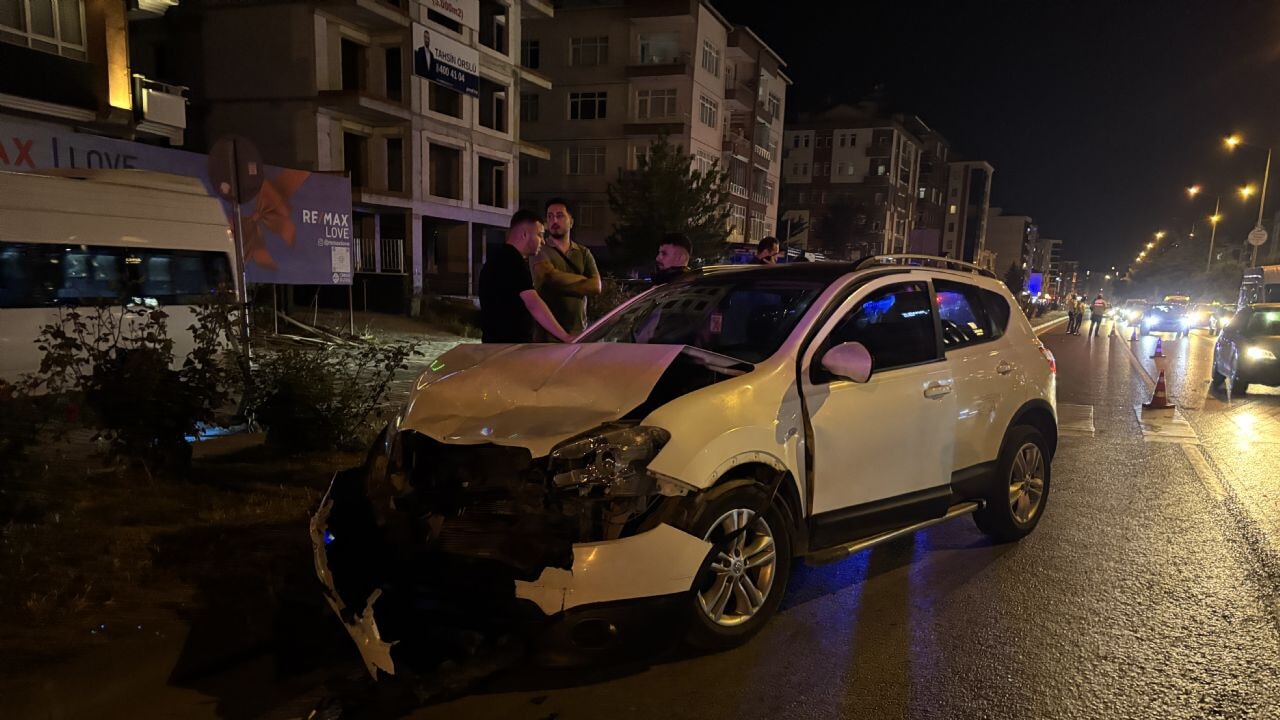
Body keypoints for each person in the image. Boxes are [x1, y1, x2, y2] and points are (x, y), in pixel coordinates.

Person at [478, 210, 572, 344]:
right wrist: (565, 337)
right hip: (509, 348)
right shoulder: (512, 261)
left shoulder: (498, 258)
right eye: (540, 235)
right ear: (524, 234)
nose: (543, 242)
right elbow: (533, 303)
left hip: (496, 345)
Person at [531, 198, 601, 339]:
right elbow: (549, 277)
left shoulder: (583, 252)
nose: (554, 221)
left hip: (578, 333)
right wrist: (583, 282)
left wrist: (559, 283)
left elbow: (596, 286)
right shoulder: (539, 250)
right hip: (546, 336)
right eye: (550, 216)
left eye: (560, 215)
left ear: (571, 222)